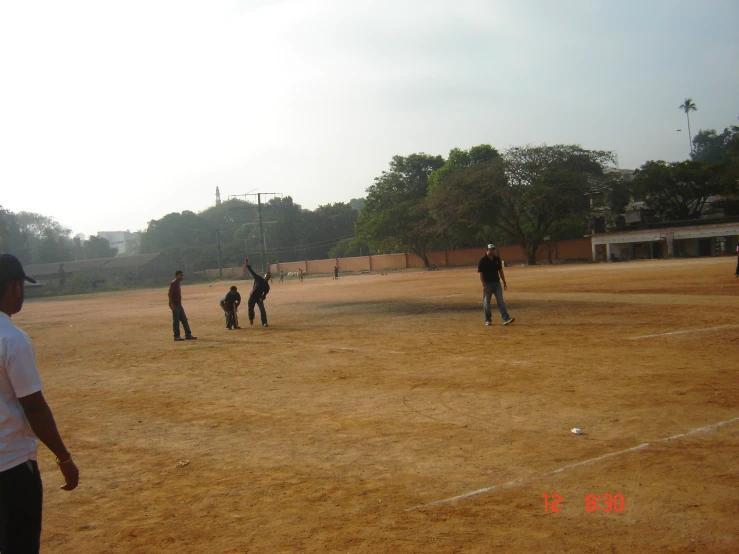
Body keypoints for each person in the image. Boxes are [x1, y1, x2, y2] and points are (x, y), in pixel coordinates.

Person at [0, 254, 80, 553]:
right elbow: (33, 406)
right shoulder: (11, 338)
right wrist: (63, 457)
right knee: (18, 542)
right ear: (13, 288)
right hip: (11, 465)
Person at [477, 244, 515, 326]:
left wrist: (504, 281)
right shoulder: (483, 261)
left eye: (493, 249)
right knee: (487, 302)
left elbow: (500, 271)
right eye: (490, 249)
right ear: (487, 250)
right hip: (487, 284)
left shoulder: (497, 259)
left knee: (500, 301)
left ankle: (506, 318)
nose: (492, 251)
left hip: (496, 283)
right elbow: (481, 274)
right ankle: (487, 319)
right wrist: (483, 285)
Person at [168, 270, 197, 341]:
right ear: (176, 276)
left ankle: (188, 335)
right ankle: (176, 336)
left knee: (184, 320)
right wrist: (172, 304)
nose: (181, 276)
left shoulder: (178, 283)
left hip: (179, 304)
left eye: (182, 275)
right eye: (180, 275)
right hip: (175, 305)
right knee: (176, 321)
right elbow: (169, 294)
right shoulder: (173, 283)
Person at [244, 258, 271, 327]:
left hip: (259, 298)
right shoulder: (258, 278)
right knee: (250, 309)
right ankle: (251, 319)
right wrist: (247, 265)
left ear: (269, 278)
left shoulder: (267, 286)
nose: (267, 277)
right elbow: (252, 272)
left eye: (268, 276)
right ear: (264, 275)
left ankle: (264, 322)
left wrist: (262, 297)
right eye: (266, 275)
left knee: (262, 310)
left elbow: (265, 294)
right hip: (252, 296)